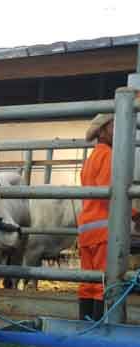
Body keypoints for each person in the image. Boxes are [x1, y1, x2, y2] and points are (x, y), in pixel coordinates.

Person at [77, 114, 137, 321]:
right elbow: (112, 195)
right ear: (102, 131)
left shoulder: (90, 158)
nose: (117, 131)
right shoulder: (109, 156)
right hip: (104, 229)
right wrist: (136, 215)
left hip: (86, 229)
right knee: (105, 282)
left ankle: (84, 326)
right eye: (113, 127)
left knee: (88, 282)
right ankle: (101, 330)